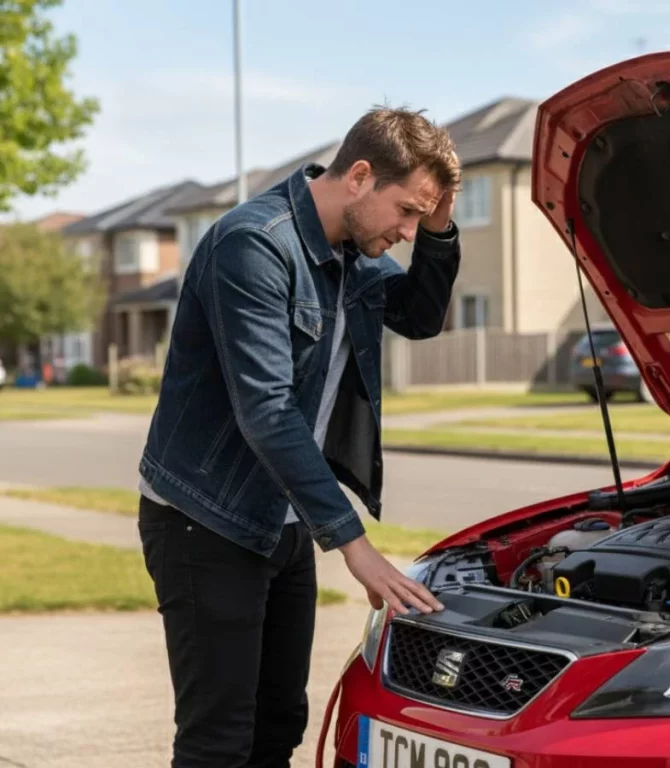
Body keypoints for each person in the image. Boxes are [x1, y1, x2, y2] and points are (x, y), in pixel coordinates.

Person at [136, 106, 458, 767]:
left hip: (282, 517)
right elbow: (267, 410)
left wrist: (441, 220)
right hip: (205, 519)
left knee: (277, 724)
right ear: (360, 176)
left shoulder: (352, 254)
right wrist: (354, 546)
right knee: (219, 739)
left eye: (416, 220)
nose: (405, 232)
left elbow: (422, 316)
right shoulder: (253, 245)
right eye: (404, 212)